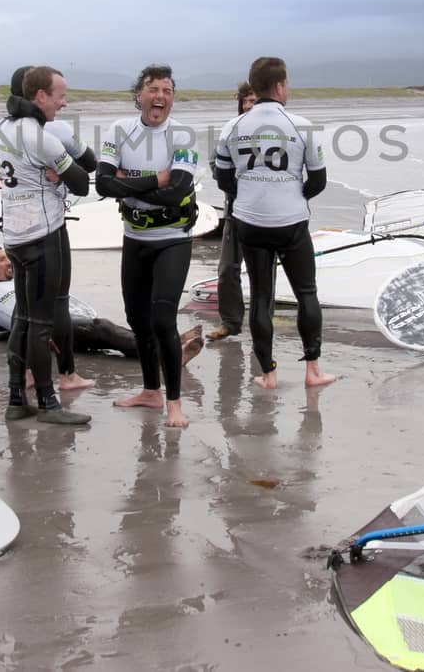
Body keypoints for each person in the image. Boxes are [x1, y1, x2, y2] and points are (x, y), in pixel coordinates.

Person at [214, 56, 336, 390]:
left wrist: (253, 193)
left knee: (261, 296)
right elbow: (318, 180)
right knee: (306, 292)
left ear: (254, 87)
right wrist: (292, 196)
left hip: (249, 222)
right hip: (291, 222)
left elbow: (223, 178)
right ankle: (313, 370)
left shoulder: (233, 127)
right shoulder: (301, 125)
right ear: (280, 86)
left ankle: (268, 374)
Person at [97, 65, 203, 428]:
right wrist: (157, 178)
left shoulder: (183, 136)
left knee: (162, 319)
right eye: (153, 89)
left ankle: (174, 403)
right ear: (139, 94)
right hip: (134, 238)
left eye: (167, 90)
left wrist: (130, 179)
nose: (160, 96)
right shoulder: (119, 130)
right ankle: (150, 391)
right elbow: (104, 185)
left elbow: (177, 190)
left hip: (172, 238)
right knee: (137, 320)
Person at [0, 65, 92, 424]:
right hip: (42, 235)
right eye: (60, 96)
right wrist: (58, 174)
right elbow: (82, 182)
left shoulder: (2, 128)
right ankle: (49, 404)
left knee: (22, 316)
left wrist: (49, 173)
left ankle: (17, 398)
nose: (63, 104)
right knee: (40, 321)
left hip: (14, 237)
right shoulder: (43, 138)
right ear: (40, 97)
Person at [0, 245, 202, 363]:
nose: (9, 262)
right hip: (43, 329)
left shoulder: (19, 278)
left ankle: (169, 344)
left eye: (8, 257)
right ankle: (169, 356)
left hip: (54, 318)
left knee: (106, 332)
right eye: (1, 260)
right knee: (101, 328)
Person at [207, 80, 257, 343]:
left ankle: (262, 323)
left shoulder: (276, 130)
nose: (248, 106)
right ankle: (230, 322)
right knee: (227, 270)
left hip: (265, 216)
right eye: (244, 102)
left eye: (253, 101)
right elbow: (215, 162)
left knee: (262, 273)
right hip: (235, 211)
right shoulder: (231, 130)